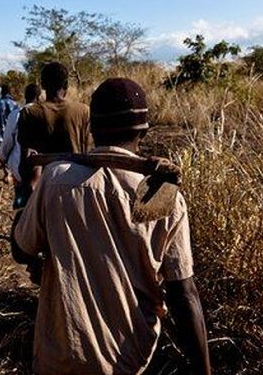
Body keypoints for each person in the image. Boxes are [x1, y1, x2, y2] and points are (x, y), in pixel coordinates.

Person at [13, 78, 211, 375]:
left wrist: (27, 199)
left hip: (62, 355)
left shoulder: (55, 180)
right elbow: (184, 293)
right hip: (131, 357)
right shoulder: (164, 196)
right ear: (144, 129)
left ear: (91, 127)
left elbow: (21, 248)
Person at [17, 61, 90, 197]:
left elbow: (26, 161)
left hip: (44, 188)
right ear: (66, 85)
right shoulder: (83, 111)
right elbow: (86, 150)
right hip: (76, 185)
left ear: (43, 85)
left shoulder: (29, 113)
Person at [0, 83, 41, 200]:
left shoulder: (16, 114)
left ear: (25, 96)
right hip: (41, 167)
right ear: (38, 97)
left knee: (21, 199)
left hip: (19, 165)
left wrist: (2, 157)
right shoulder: (44, 113)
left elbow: (7, 140)